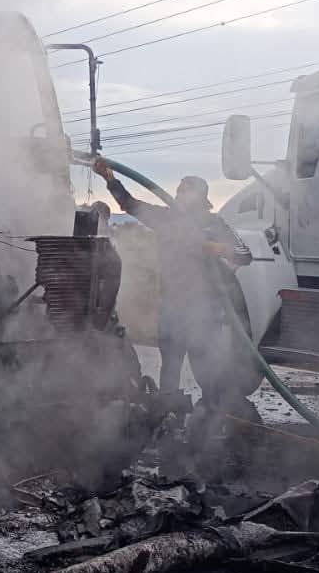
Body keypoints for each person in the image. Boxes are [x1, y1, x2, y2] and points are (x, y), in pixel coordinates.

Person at [92, 157, 253, 404]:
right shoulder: (166, 219)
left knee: (206, 371)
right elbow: (130, 204)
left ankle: (213, 417)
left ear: (198, 197)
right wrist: (110, 179)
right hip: (172, 309)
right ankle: (168, 420)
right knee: (170, 370)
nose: (177, 195)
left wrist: (215, 247)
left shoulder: (214, 224)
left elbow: (244, 255)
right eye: (177, 191)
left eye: (183, 192)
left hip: (204, 312)